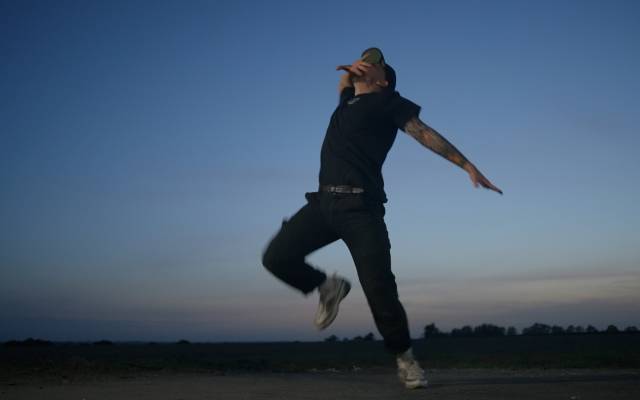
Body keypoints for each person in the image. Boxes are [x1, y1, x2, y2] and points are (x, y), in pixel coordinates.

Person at [261, 47, 502, 389]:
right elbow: (343, 83)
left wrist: (466, 165)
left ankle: (405, 358)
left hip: (362, 210)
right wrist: (348, 73)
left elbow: (424, 133)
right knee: (275, 257)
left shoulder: (389, 103)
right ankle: (328, 286)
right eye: (364, 62)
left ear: (383, 80)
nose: (365, 67)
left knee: (380, 289)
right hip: (323, 204)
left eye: (373, 65)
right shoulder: (346, 103)